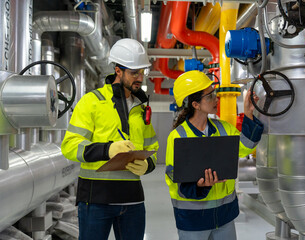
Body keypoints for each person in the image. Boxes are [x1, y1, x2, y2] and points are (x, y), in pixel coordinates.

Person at [61, 38, 159, 240]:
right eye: (134, 73)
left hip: (133, 200)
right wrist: (108, 150)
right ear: (118, 71)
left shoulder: (141, 108)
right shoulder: (92, 102)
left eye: (142, 72)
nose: (140, 78)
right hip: (96, 200)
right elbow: (70, 146)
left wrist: (148, 165)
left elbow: (152, 147)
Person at [165, 70, 264, 240]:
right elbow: (174, 179)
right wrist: (199, 187)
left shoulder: (224, 128)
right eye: (210, 96)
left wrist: (248, 114)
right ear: (195, 104)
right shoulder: (178, 137)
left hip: (224, 218)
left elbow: (245, 147)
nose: (216, 98)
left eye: (214, 93)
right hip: (194, 220)